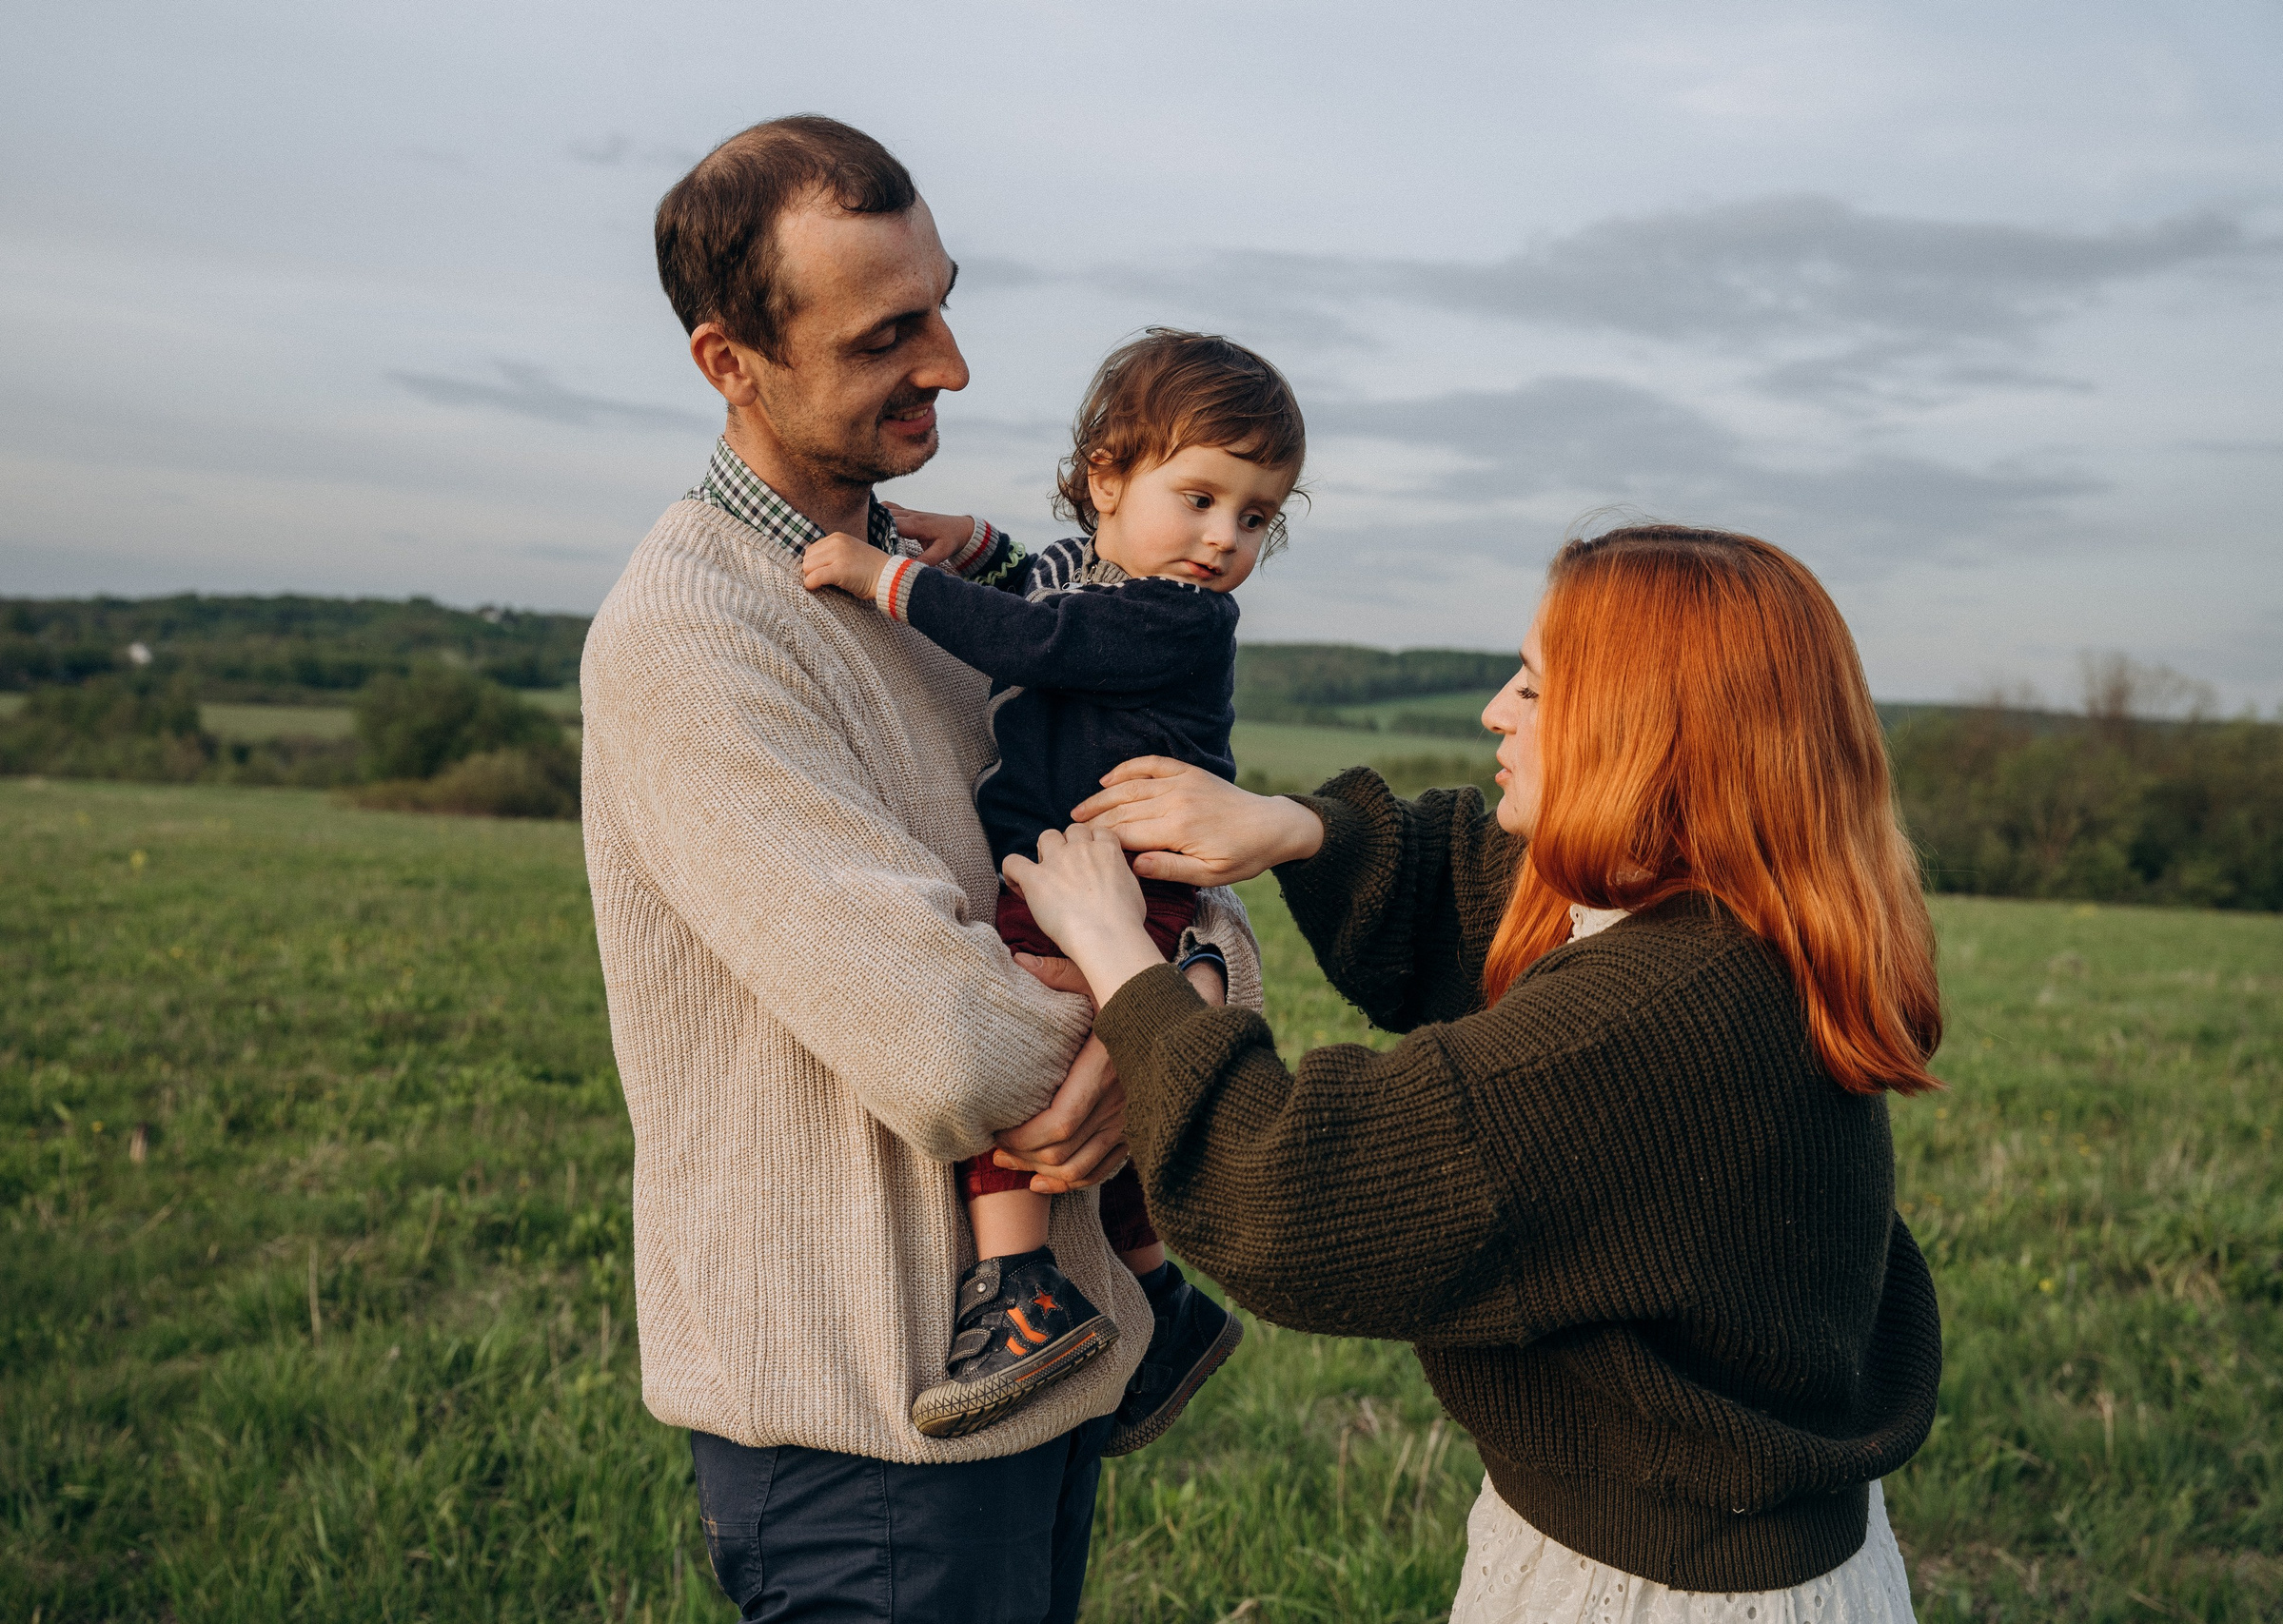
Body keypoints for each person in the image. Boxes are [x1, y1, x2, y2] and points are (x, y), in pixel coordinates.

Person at [1004, 524, 1942, 1620]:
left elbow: (1289, 1191)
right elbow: (1484, 875)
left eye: (1537, 690)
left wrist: (1115, 950)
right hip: (1726, 1547)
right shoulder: (1738, 914)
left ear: (1643, 733)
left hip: (1654, 1589)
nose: (1497, 711)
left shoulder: (1640, 1025)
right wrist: (1295, 827)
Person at [580, 116, 1259, 1623]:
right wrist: (1158, 1033)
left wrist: (1191, 983)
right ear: (729, 362)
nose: (951, 362)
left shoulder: (963, 593)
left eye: (945, 302)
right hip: (868, 1417)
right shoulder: (695, 634)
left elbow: (1179, 862)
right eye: (891, 331)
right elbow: (953, 1042)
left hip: (1052, 1365)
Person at [803, 328, 1300, 1444]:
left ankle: (1019, 1285)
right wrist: (976, 541)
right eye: (1203, 498)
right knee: (1104, 1081)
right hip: (1102, 871)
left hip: (1105, 877)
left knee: (1029, 1031)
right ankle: (1159, 1300)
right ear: (1109, 477)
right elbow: (1049, 577)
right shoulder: (1110, 575)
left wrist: (887, 575)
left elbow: (1032, 635)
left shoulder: (1173, 613)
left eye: (1256, 516)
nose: (1224, 540)